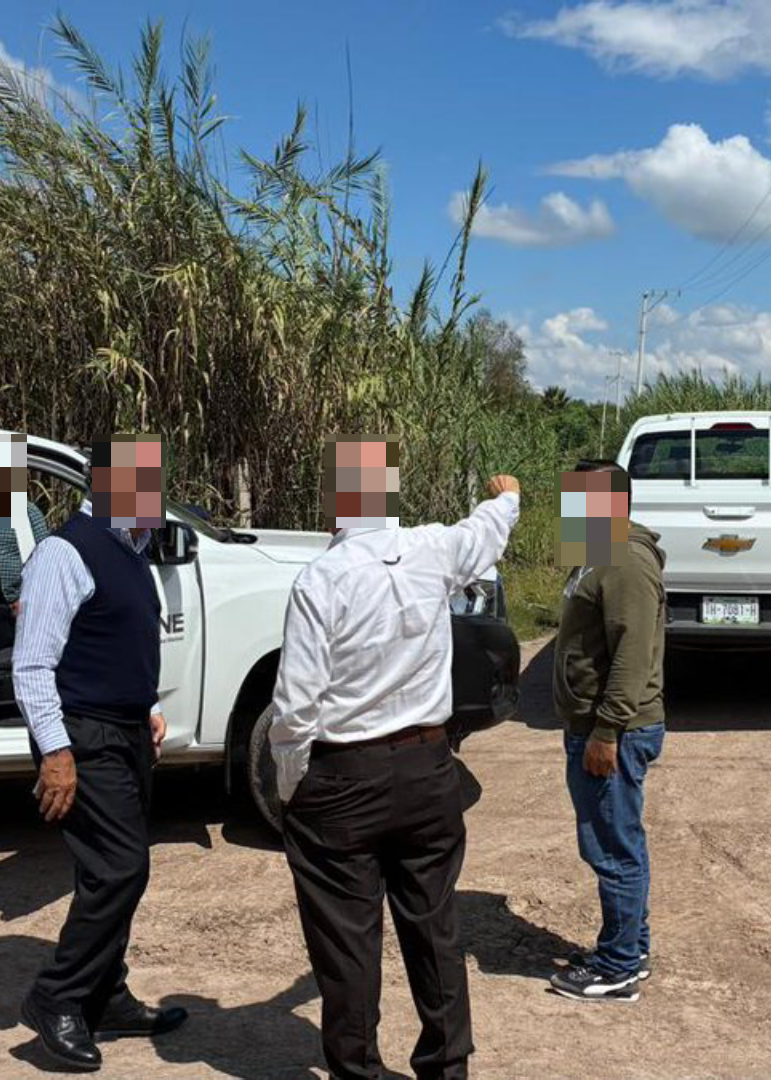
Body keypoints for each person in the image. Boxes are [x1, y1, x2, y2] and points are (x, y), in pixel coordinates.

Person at [271, 437, 519, 1080]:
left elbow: (295, 706)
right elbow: (485, 531)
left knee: (348, 940)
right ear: (389, 493)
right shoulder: (434, 549)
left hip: (343, 775)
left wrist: (292, 783)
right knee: (434, 923)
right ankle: (446, 1064)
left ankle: (358, 1069)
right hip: (428, 768)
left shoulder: (320, 579)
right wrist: (510, 497)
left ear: (334, 500)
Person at [12, 436, 185, 1071]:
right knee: (121, 869)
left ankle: (105, 994)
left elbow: (112, 644)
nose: (156, 497)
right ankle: (55, 996)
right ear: (106, 485)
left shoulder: (130, 550)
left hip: (126, 731)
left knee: (108, 872)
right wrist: (56, 753)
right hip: (82, 737)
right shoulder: (64, 553)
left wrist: (147, 708)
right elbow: (32, 665)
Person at [548, 459, 667, 1003]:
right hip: (598, 724)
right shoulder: (598, 552)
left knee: (613, 849)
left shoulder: (623, 560)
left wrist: (607, 730)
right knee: (618, 841)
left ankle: (618, 967)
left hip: (612, 729)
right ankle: (629, 948)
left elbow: (632, 655)